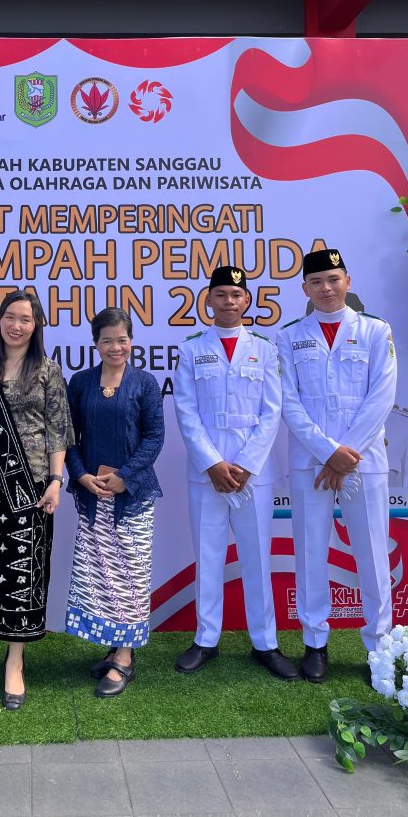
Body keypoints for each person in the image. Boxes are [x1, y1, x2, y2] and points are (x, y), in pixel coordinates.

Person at [276, 248, 397, 682]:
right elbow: (288, 402)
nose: (326, 288)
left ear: (347, 280)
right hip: (312, 464)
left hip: (364, 462)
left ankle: (380, 648)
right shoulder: (289, 337)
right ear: (304, 289)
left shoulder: (375, 330)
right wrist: (328, 453)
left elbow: (381, 397)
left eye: (333, 279)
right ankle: (315, 644)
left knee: (373, 555)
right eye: (316, 282)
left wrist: (344, 455)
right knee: (310, 552)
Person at [173, 265, 298, 680]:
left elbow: (272, 411)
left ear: (247, 301)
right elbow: (186, 411)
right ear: (208, 300)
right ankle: (206, 639)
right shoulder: (191, 349)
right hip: (206, 474)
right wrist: (213, 463)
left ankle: (265, 643)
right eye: (221, 294)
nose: (229, 301)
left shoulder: (265, 349)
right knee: (208, 557)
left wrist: (245, 464)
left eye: (236, 295)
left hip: (252, 475)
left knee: (257, 558)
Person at [0, 290, 74, 709]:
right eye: (10, 317)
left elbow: (58, 431)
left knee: (26, 575)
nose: (16, 325)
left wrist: (56, 480)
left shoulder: (48, 371)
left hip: (33, 488)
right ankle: (2, 644)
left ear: (36, 325)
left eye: (25, 318)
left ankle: (15, 661)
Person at [64, 307, 164, 697]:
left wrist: (126, 476)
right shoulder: (80, 383)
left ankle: (125, 655)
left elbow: (154, 437)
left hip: (132, 496)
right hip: (93, 495)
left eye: (122, 339)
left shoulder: (145, 383)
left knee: (130, 576)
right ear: (95, 343)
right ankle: (113, 646)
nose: (115, 347)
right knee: (100, 576)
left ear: (131, 341)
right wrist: (81, 475)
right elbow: (69, 437)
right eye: (107, 340)